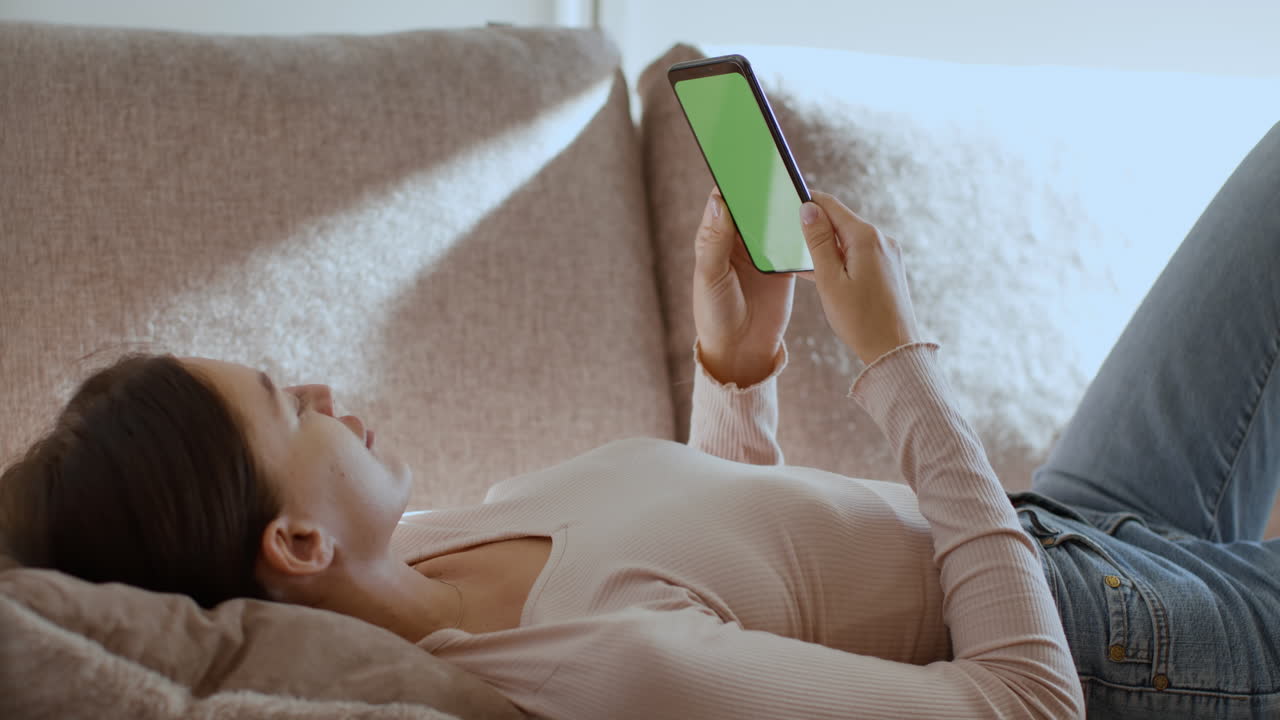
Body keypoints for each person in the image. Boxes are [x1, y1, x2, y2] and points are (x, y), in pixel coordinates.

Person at [3, 125, 1280, 720]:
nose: (329, 393)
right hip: (1118, 645)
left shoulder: (438, 542)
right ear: (292, 548)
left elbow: (753, 587)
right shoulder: (605, 673)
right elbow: (1023, 705)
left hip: (1049, 522)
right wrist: (892, 363)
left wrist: (738, 371)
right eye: (292, 407)